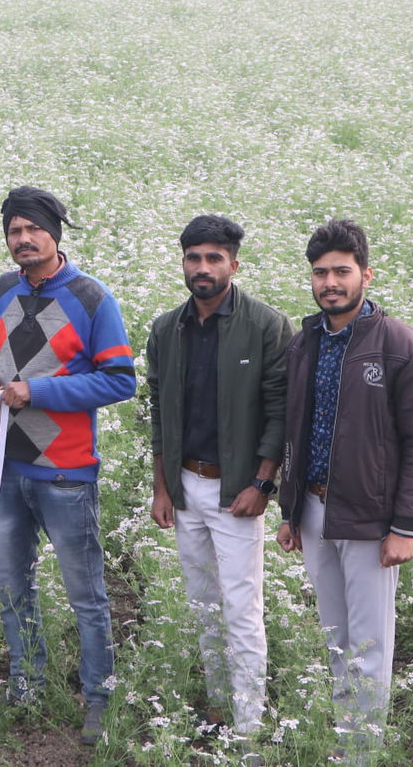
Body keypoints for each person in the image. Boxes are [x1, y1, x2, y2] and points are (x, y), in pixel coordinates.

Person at [0, 186, 136, 746]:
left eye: (31, 230)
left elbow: (120, 380)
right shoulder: (2, 289)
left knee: (86, 595)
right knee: (11, 585)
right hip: (6, 469)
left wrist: (36, 390)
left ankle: (99, 698)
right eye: (13, 231)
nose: (22, 240)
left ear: (54, 234)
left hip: (66, 472)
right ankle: (27, 682)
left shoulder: (92, 299)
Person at [276, 219, 413, 758]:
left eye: (341, 271)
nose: (330, 282)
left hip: (372, 520)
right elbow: (295, 428)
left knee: (370, 643)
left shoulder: (401, 345)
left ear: (366, 274)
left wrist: (404, 528)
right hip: (316, 511)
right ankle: (347, 739)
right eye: (320, 273)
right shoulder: (304, 343)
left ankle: (364, 753)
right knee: (335, 637)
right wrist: (289, 509)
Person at [145, 215, 292, 741]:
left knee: (241, 607)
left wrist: (262, 483)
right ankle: (219, 707)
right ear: (183, 262)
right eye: (193, 258)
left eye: (213, 258)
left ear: (234, 263)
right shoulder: (167, 328)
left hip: (238, 495)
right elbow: (159, 413)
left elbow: (279, 412)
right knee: (203, 604)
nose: (202, 268)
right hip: (186, 488)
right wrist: (163, 489)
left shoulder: (266, 325)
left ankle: (250, 726)